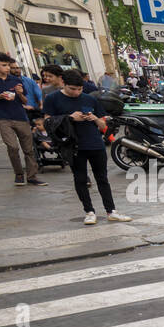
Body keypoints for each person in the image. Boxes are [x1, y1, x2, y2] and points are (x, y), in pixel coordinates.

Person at [43, 69, 131, 225]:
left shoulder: (90, 99)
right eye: (72, 89)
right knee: (80, 179)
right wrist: (70, 118)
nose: (76, 92)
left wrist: (95, 118)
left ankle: (111, 211)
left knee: (102, 178)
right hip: (73, 144)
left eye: (80, 89)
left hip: (95, 143)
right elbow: (48, 123)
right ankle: (89, 211)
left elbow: (104, 125)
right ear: (64, 83)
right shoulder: (52, 99)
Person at [0, 50, 45, 187]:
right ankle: (19, 174)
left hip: (20, 116)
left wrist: (20, 94)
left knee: (29, 148)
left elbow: (25, 101)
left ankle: (32, 176)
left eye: (8, 65)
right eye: (4, 65)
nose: (8, 68)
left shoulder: (15, 79)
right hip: (3, 117)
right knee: (12, 147)